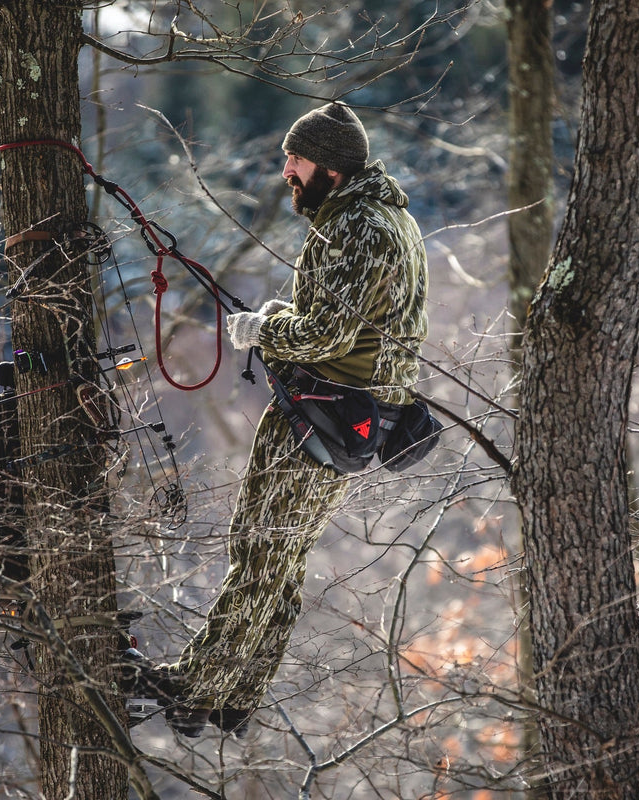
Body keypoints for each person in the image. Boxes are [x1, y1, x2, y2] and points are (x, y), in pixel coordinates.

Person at [137, 101, 429, 738]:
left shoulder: (360, 226)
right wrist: (282, 320)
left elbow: (327, 333)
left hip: (320, 418)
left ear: (328, 166)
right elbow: (356, 321)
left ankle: (198, 687)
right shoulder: (389, 220)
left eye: (294, 161)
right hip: (349, 419)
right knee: (280, 560)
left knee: (260, 552)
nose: (286, 173)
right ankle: (235, 694)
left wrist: (263, 329)